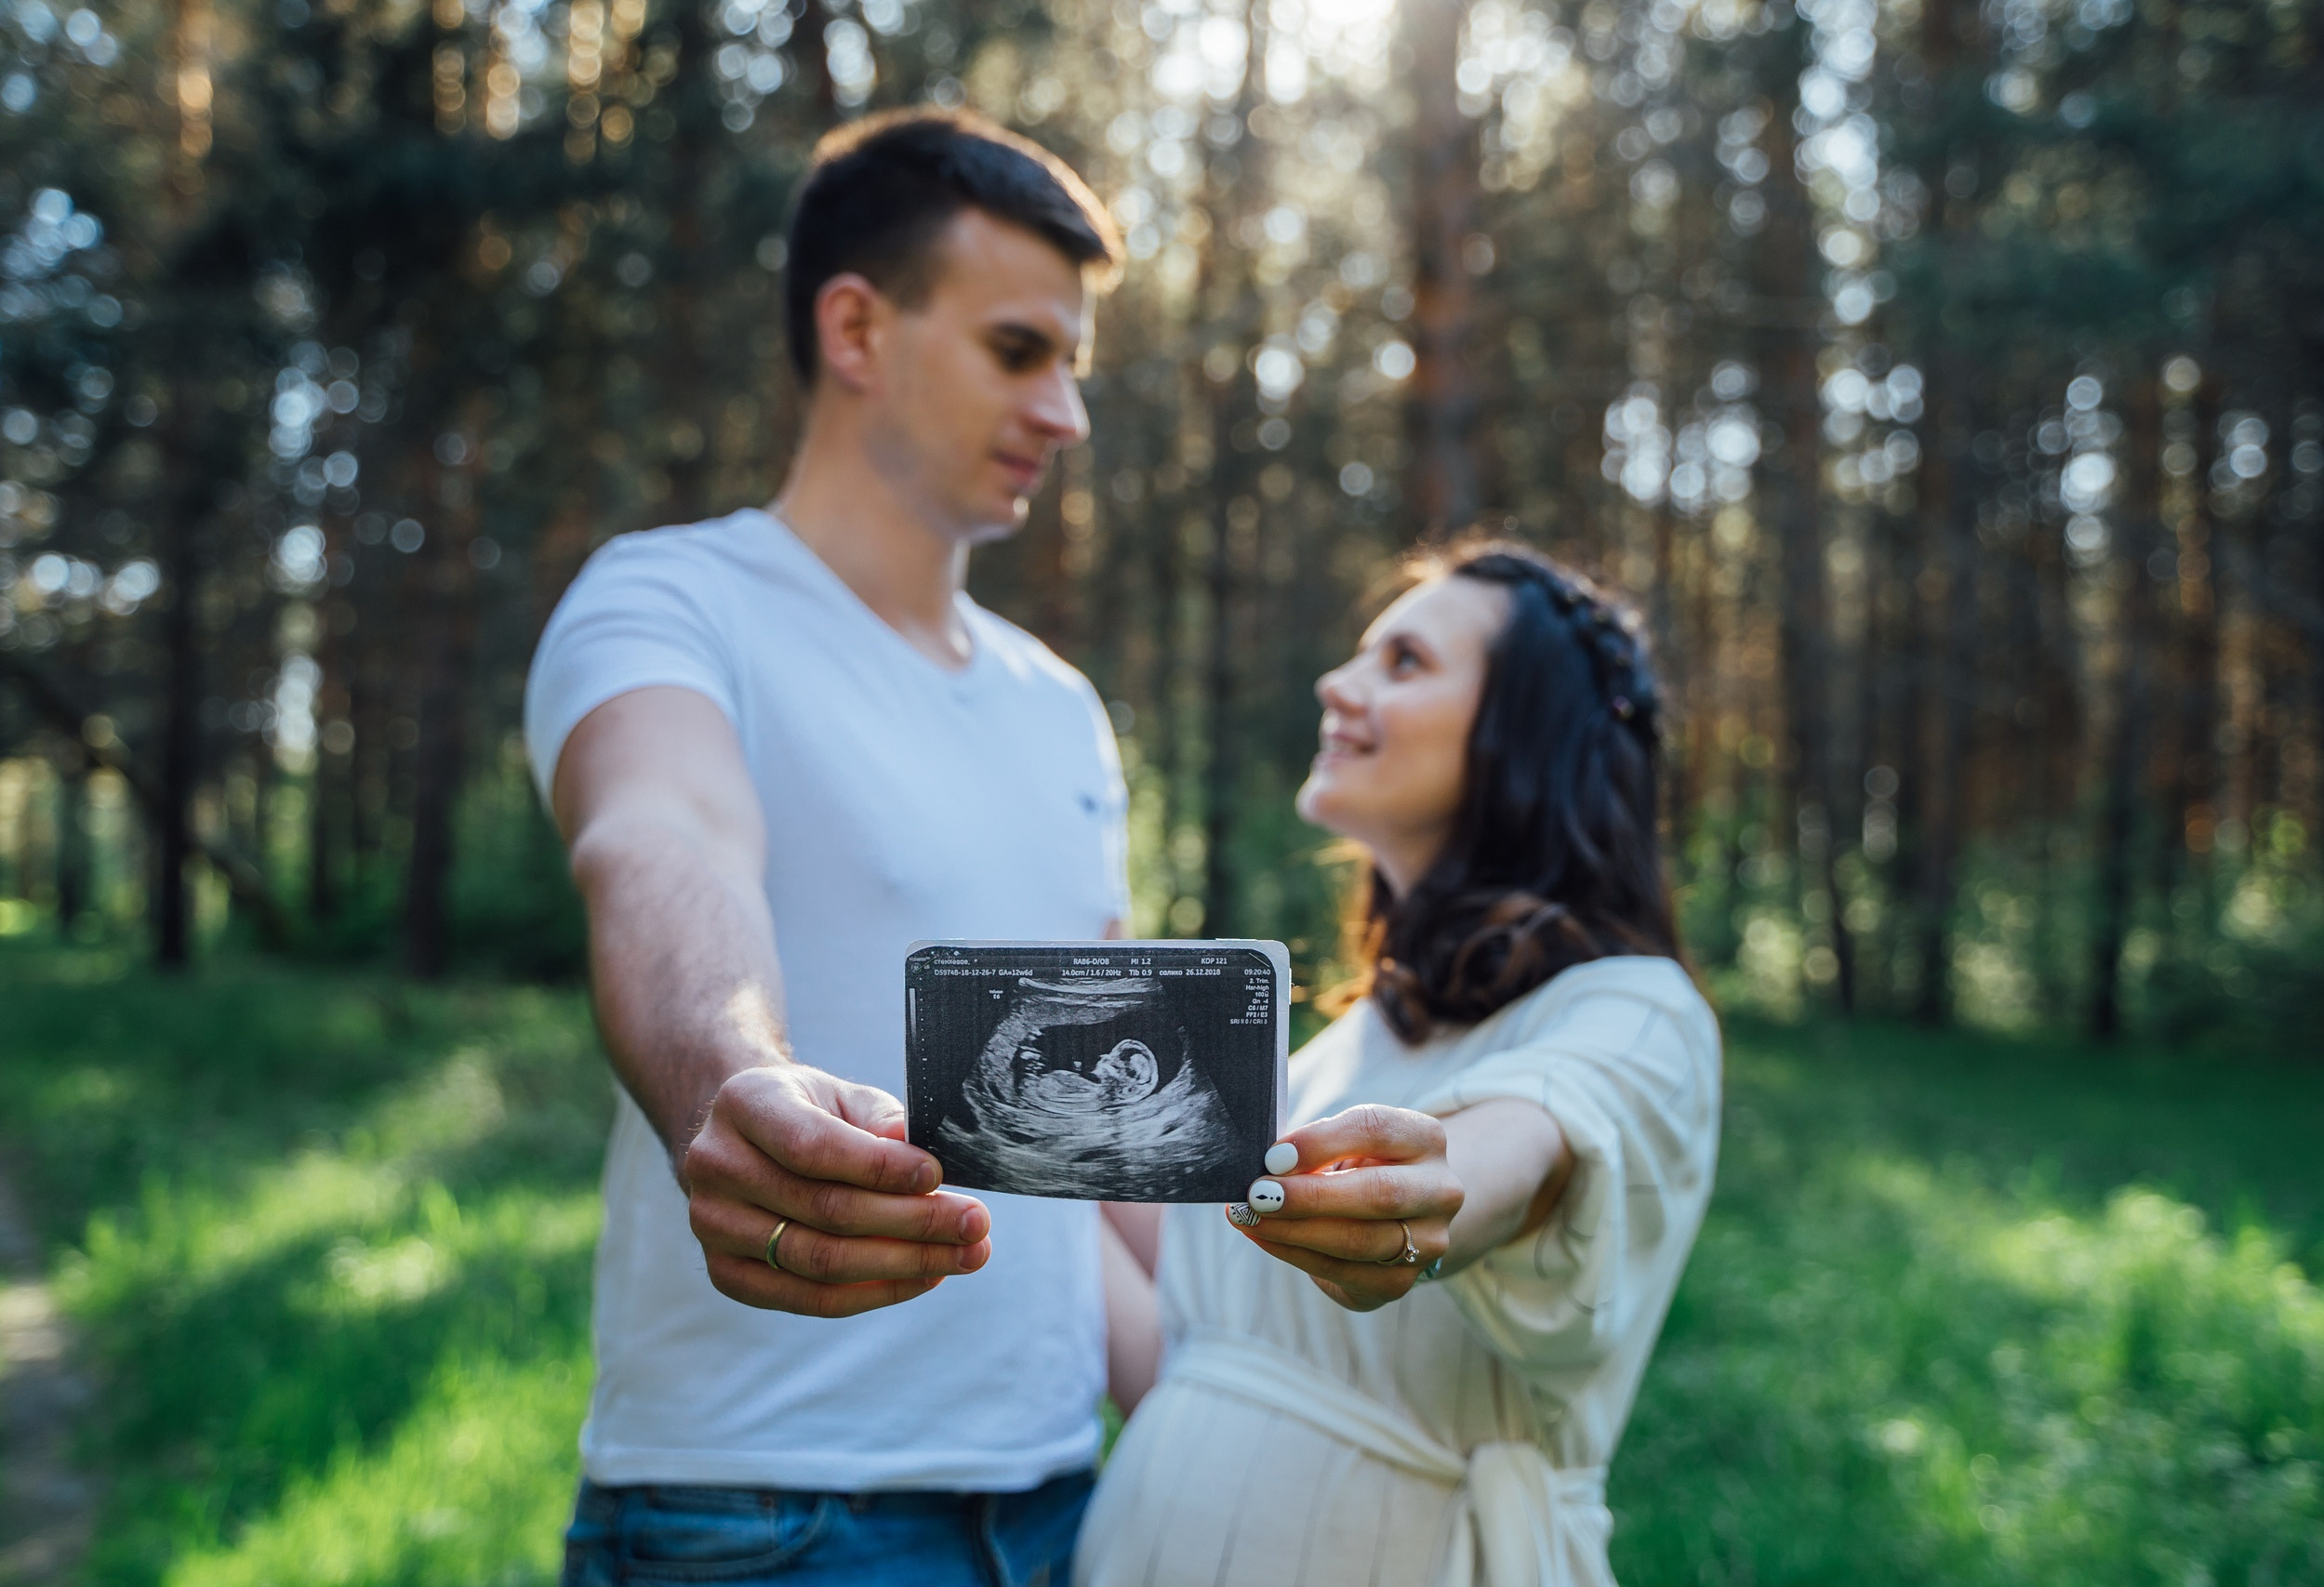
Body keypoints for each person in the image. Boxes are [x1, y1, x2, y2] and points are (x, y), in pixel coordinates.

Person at [525, 109, 1157, 1586]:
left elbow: (1098, 1151)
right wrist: (732, 1079)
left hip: (1066, 1503)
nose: (1066, 412)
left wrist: (1225, 1394)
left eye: (1073, 363)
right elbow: (663, 835)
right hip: (767, 1519)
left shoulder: (1062, 711)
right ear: (857, 327)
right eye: (1019, 350)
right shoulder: (669, 602)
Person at [1078, 542, 1722, 1587]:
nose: (1337, 685)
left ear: (1524, 731)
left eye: (1405, 661)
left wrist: (1428, 1193)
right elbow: (1198, 1352)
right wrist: (1019, 1157)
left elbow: (1525, 1140)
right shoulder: (1348, 1043)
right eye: (1360, 655)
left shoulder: (1638, 1011)